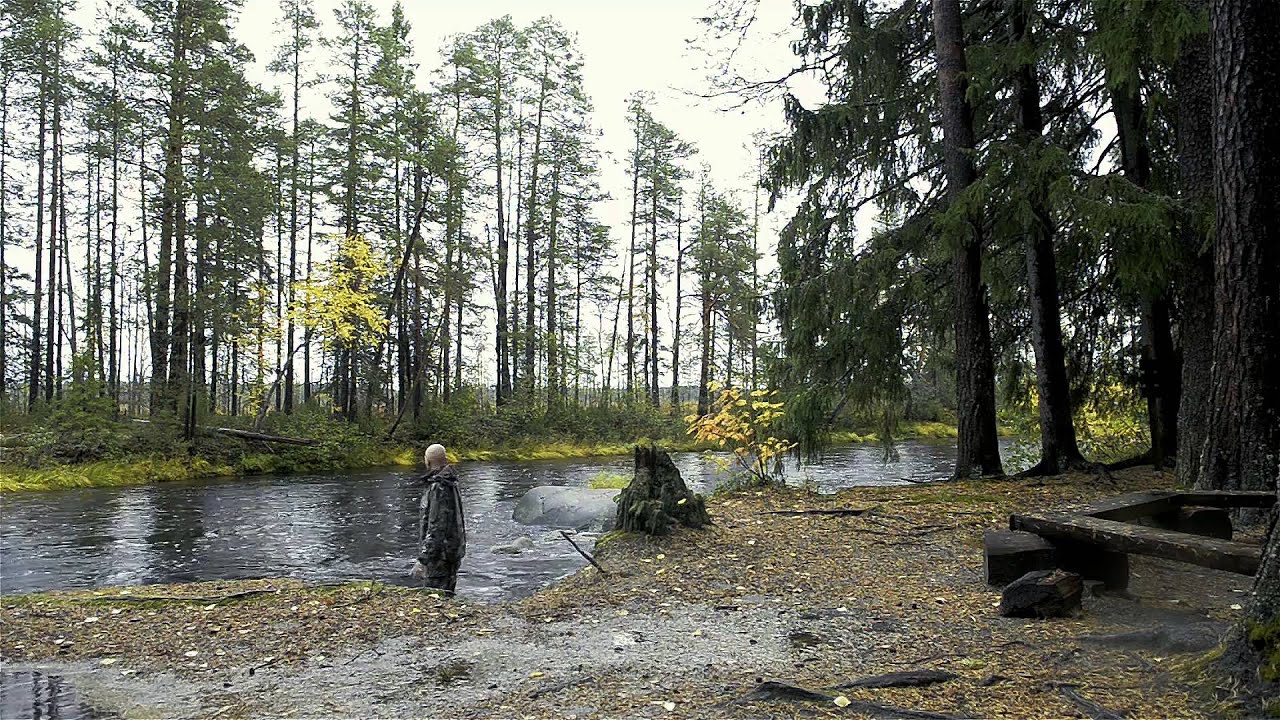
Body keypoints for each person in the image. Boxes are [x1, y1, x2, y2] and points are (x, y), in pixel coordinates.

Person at [410, 444, 466, 594]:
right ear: (445, 458)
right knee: (447, 594)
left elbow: (436, 526)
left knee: (435, 596)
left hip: (440, 555)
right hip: (452, 550)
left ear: (427, 460)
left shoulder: (439, 487)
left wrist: (424, 559)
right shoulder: (451, 481)